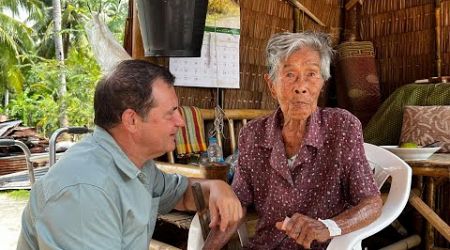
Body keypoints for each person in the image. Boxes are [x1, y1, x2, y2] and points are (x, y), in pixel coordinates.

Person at [17, 60, 243, 249]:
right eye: (171, 113)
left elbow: (182, 195)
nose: (181, 122)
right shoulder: (85, 191)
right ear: (132, 120)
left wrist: (217, 188)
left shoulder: (137, 164)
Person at [204, 31, 382, 249]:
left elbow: (371, 202)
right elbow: (237, 203)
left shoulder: (342, 127)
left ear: (322, 83)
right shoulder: (252, 134)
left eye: (311, 74)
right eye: (289, 75)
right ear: (271, 85)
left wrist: (329, 227)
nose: (301, 86)